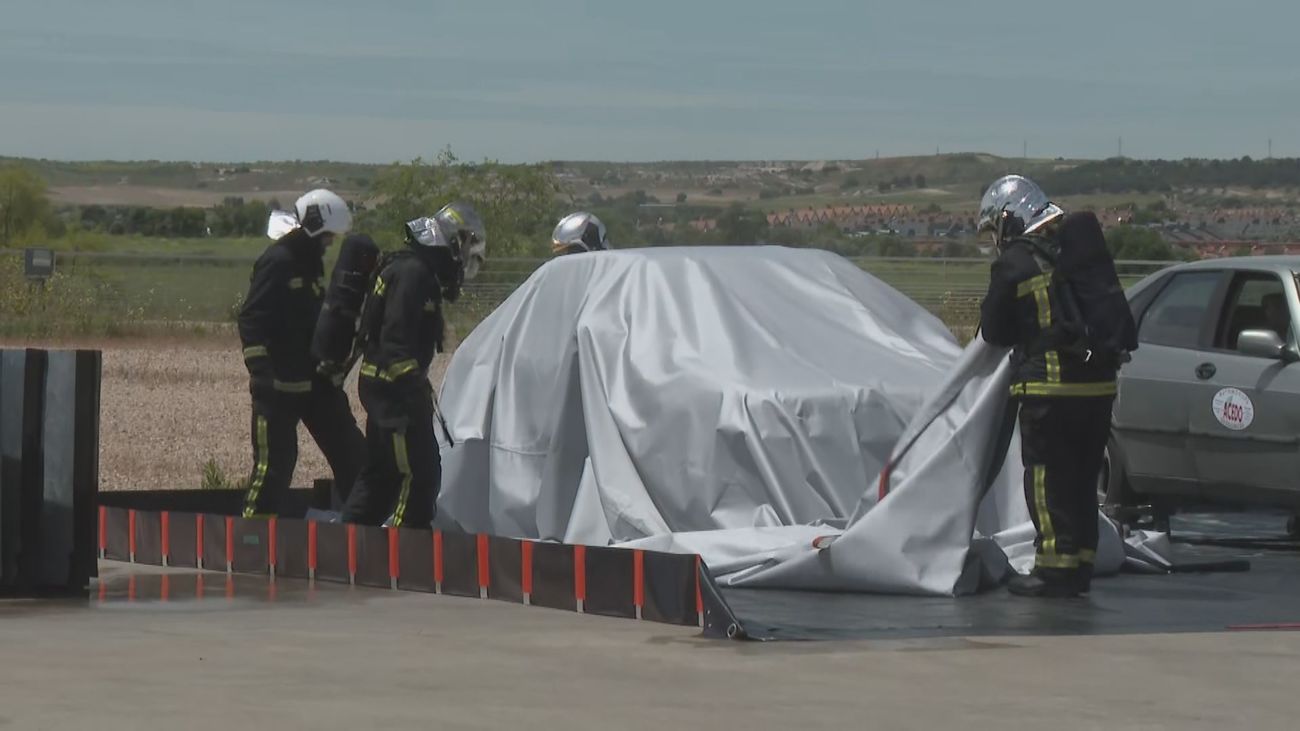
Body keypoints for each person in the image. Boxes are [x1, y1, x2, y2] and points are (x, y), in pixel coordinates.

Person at [978, 175, 1123, 598]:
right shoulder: (1078, 250)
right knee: (1081, 481)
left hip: (1050, 390)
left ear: (1010, 219)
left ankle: (1053, 569)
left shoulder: (1017, 262)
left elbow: (993, 329)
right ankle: (1079, 566)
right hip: (1098, 389)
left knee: (1045, 480)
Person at [340, 202, 487, 527]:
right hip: (396, 397)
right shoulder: (414, 275)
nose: (463, 256)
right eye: (463, 244)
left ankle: (348, 548)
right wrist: (412, 390)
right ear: (450, 241)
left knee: (381, 477)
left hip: (386, 390)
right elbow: (396, 342)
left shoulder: (413, 269)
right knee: (420, 476)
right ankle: (405, 555)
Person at [238, 189, 367, 518]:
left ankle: (363, 531)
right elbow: (251, 318)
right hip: (278, 389)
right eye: (326, 236)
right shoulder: (278, 261)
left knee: (353, 455)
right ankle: (252, 540)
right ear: (313, 224)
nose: (328, 243)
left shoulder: (310, 265)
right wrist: (263, 373)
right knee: (274, 468)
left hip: (314, 383)